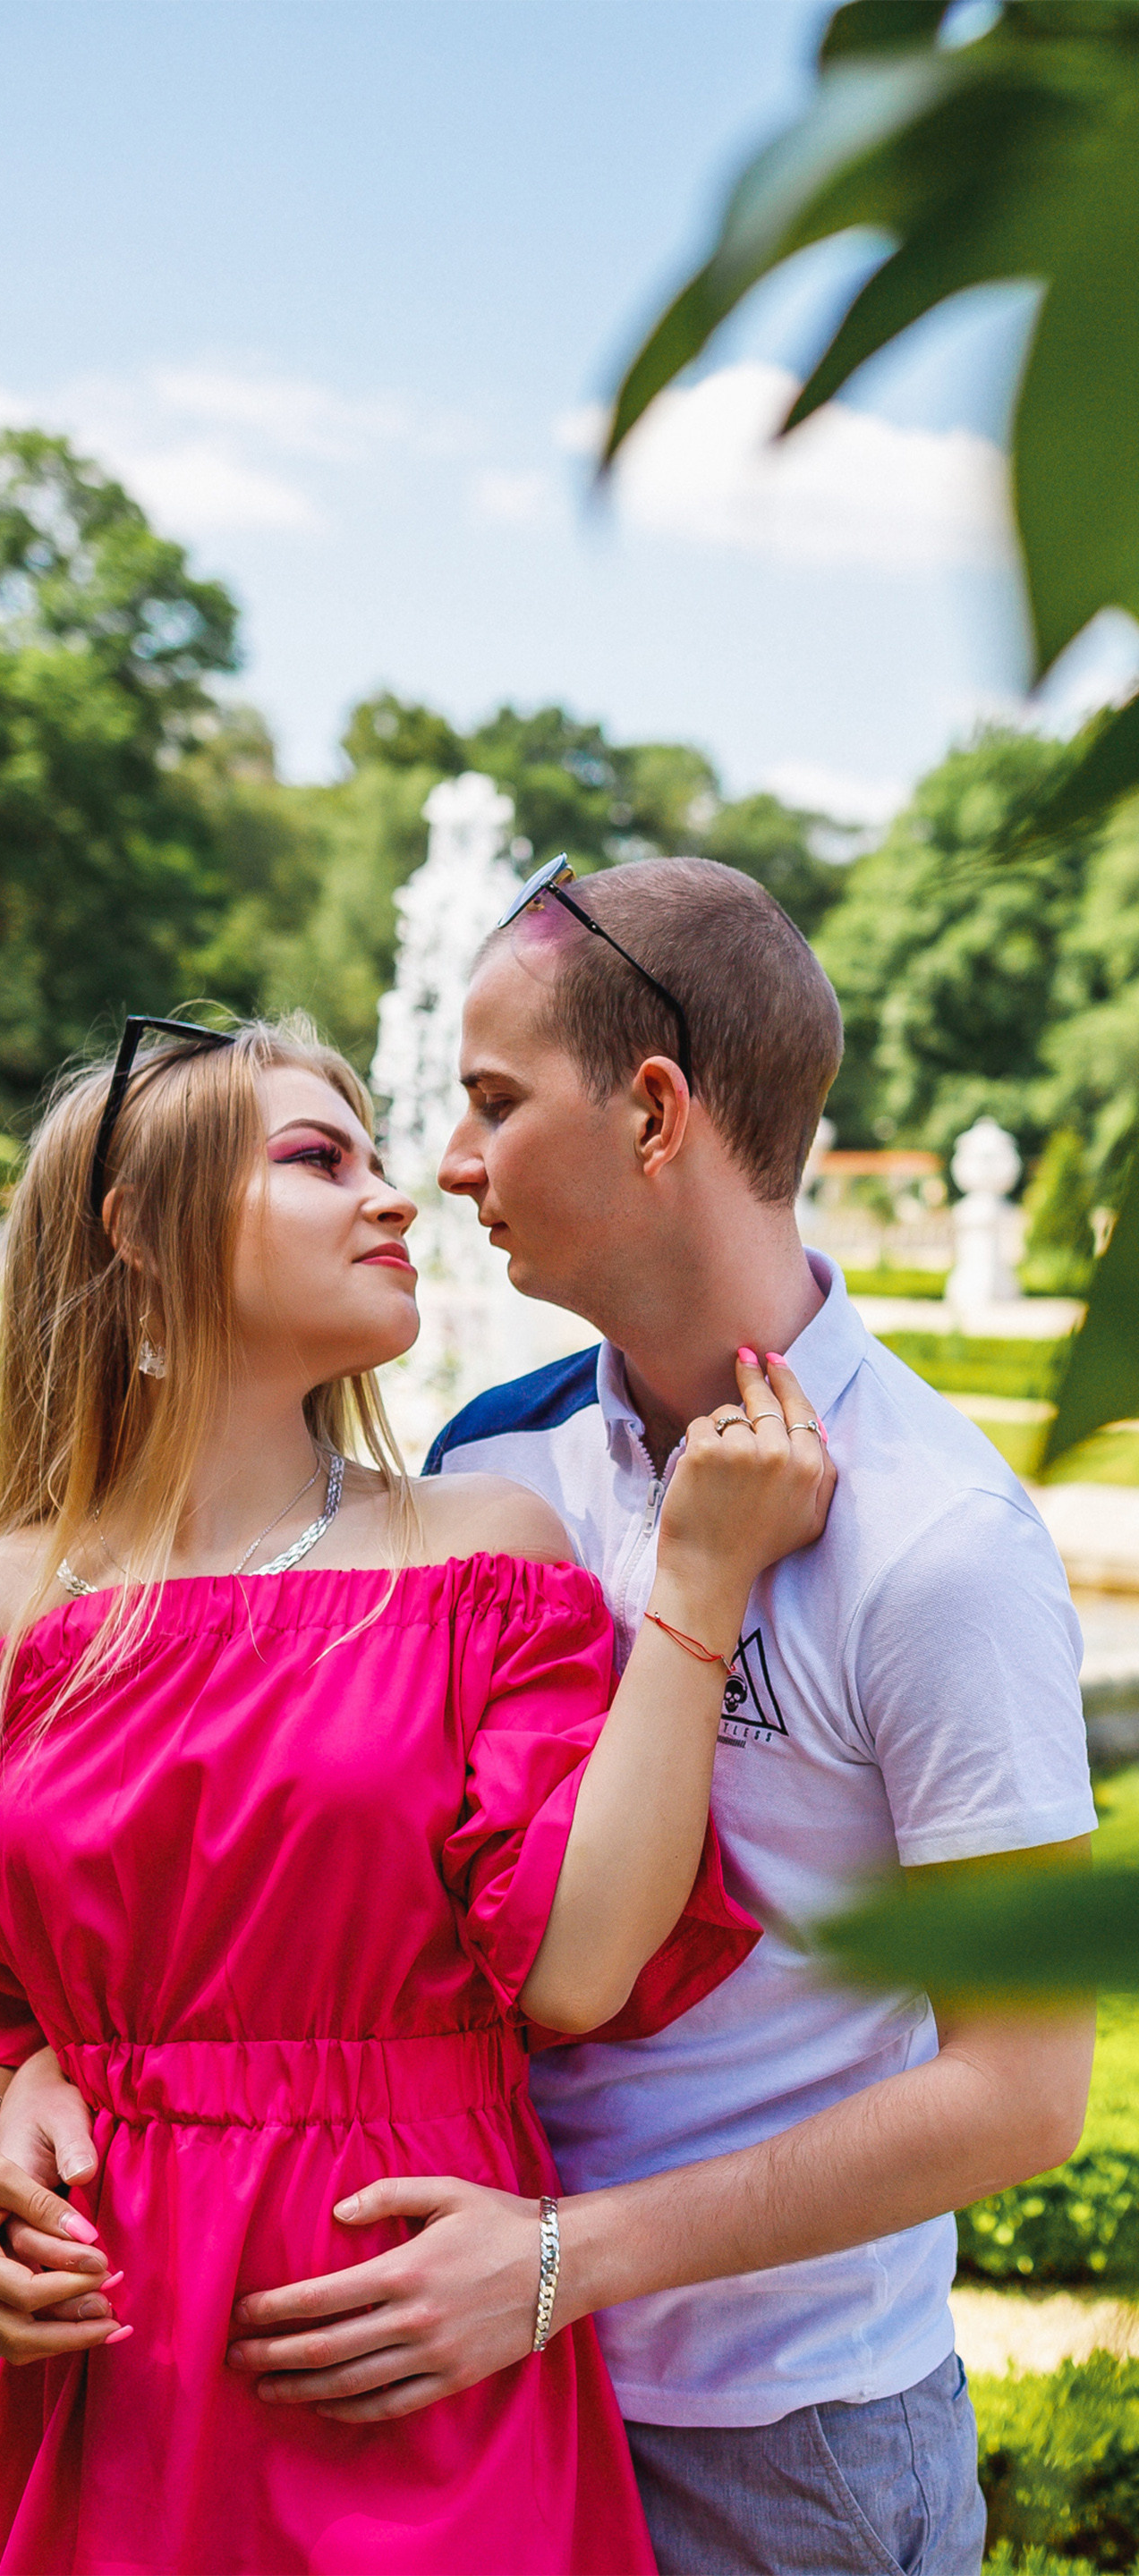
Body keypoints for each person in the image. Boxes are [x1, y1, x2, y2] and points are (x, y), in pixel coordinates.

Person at [0, 1009, 833, 2575]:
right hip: (117, 2360)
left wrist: (699, 1587)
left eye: (381, 1160)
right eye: (321, 1161)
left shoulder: (480, 1555)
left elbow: (577, 1970)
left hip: (417, 2328)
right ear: (138, 1234)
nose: (396, 1199)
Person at [201, 859, 1096, 2575]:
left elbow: (1023, 2092)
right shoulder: (485, 1463)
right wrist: (3, 2084)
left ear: (655, 1110)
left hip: (779, 2444)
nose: (447, 1166)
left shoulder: (939, 1541)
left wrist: (560, 2261)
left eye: (491, 1102)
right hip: (464, 2401)